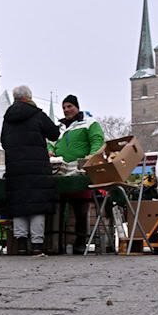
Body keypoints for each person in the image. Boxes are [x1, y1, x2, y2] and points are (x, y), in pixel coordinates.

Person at [0, 85, 60, 256]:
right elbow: (54, 134)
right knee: (37, 205)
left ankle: (20, 245)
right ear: (27, 98)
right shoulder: (37, 114)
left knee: (19, 205)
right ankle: (37, 245)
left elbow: (3, 142)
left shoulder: (8, 117)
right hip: (37, 167)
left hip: (15, 168)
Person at [47, 94, 105, 253]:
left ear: (77, 107)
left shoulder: (89, 123)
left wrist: (89, 159)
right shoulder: (58, 128)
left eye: (69, 106)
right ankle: (57, 243)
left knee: (81, 209)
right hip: (59, 171)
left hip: (80, 172)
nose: (66, 110)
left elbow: (97, 142)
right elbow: (50, 144)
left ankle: (80, 242)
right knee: (58, 208)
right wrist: (50, 152)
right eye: (64, 107)